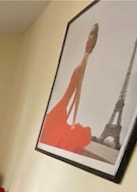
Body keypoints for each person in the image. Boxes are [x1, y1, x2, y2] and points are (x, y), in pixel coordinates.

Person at [40, 23, 99, 153]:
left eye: (92, 38)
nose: (88, 40)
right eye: (89, 36)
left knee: (51, 128)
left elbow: (78, 93)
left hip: (64, 103)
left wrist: (73, 120)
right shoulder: (83, 61)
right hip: (64, 102)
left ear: (93, 42)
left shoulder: (84, 64)